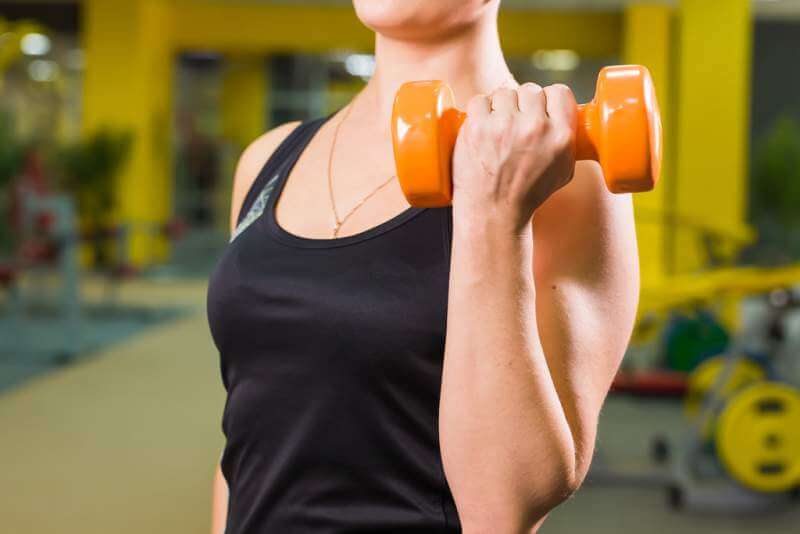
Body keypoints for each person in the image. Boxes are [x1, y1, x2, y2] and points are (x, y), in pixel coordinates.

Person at [207, 1, 639, 532]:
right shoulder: (267, 160)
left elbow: (505, 510)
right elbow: (246, 438)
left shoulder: (570, 177)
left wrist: (495, 214)